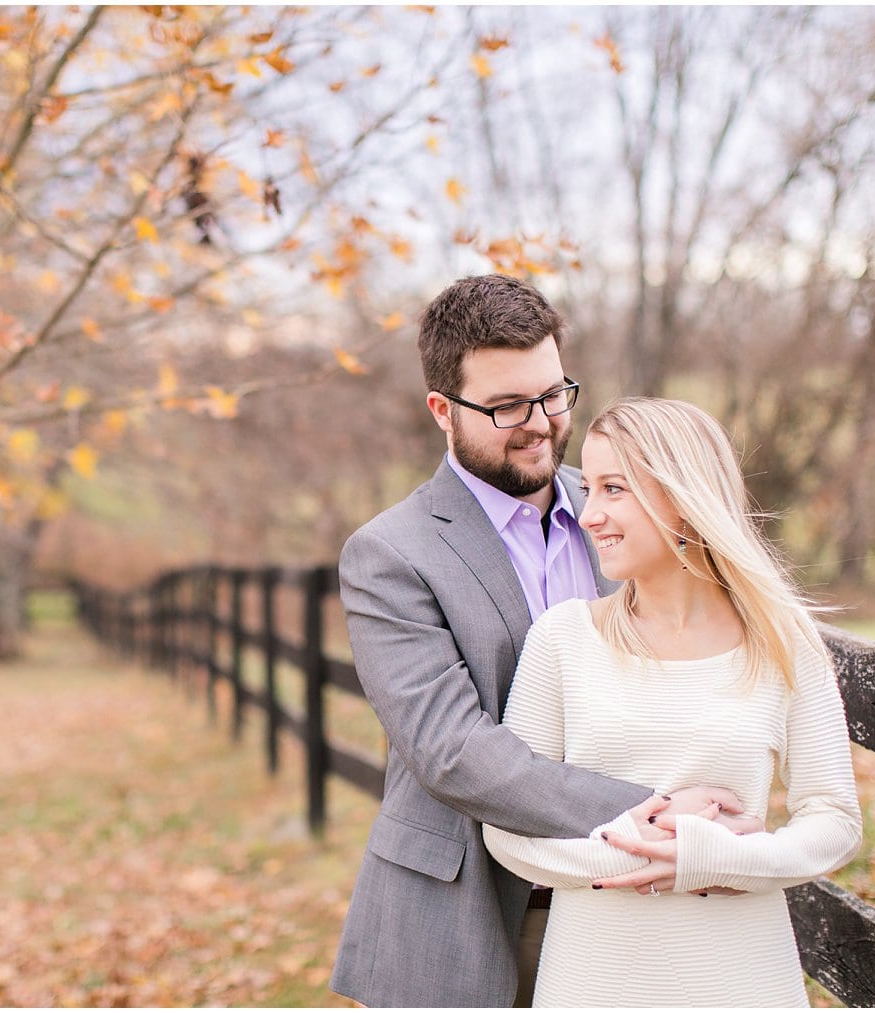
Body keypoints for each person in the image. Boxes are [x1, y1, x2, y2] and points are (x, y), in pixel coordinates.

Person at [330, 275, 754, 1008]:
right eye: (504, 406)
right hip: (467, 917)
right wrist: (651, 809)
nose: (539, 422)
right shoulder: (389, 555)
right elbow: (451, 750)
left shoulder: (625, 512)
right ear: (441, 409)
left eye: (554, 394)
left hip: (633, 905)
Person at [482, 397, 863, 1007]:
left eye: (613, 489)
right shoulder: (562, 639)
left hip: (741, 976)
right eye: (589, 487)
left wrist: (717, 858)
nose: (588, 515)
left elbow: (835, 821)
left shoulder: (783, 640)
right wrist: (628, 847)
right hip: (595, 979)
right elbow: (508, 830)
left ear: (683, 498)